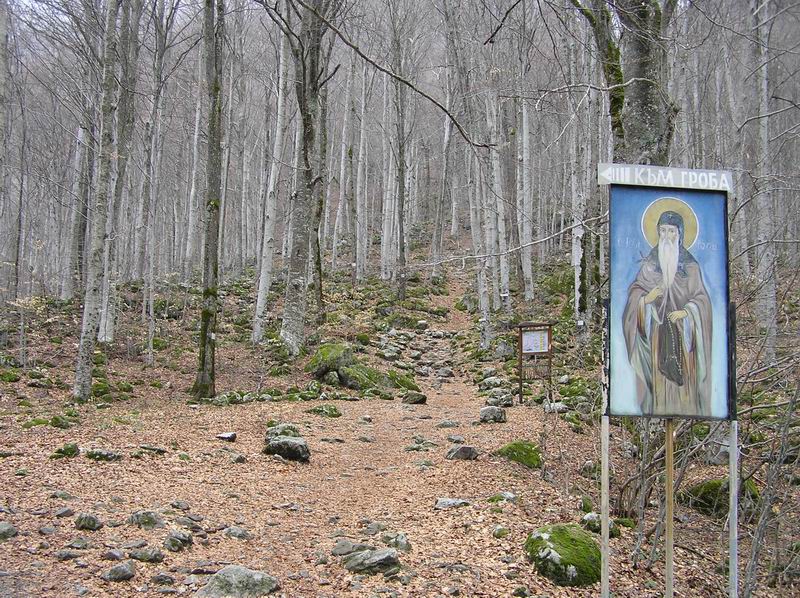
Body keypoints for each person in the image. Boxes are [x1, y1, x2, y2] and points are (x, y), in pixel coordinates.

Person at [622, 210, 713, 417]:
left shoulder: (691, 267)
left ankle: (686, 413)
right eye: (663, 230)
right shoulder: (649, 266)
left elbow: (702, 300)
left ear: (680, 234)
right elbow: (635, 294)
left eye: (671, 231)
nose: (667, 236)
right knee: (660, 387)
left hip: (684, 339)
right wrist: (647, 299)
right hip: (657, 336)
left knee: (684, 386)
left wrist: (687, 312)